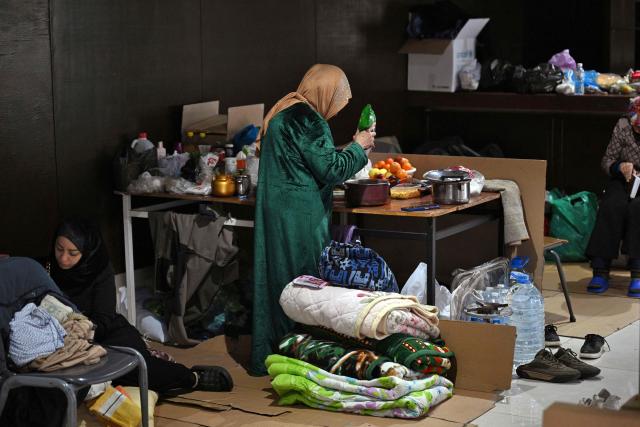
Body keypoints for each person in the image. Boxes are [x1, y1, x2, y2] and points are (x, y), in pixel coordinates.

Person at [250, 64, 376, 375]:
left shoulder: (283, 112)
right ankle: (299, 359)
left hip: (274, 211)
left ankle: (268, 356)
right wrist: (359, 147)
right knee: (304, 285)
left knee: (275, 280)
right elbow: (331, 170)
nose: (335, 110)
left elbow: (311, 161)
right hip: (300, 218)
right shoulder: (309, 120)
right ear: (325, 93)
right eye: (337, 99)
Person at [48, 218, 234, 393]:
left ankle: (192, 377)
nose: (63, 259)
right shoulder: (47, 269)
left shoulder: (98, 270)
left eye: (73, 253)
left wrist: (81, 333)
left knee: (137, 371)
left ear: (88, 253)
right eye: (59, 249)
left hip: (106, 334)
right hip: (62, 344)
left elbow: (103, 317)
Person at [585, 96, 640, 298]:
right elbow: (607, 159)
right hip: (625, 178)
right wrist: (619, 167)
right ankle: (600, 269)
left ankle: (637, 272)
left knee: (637, 208)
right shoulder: (623, 124)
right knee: (612, 205)